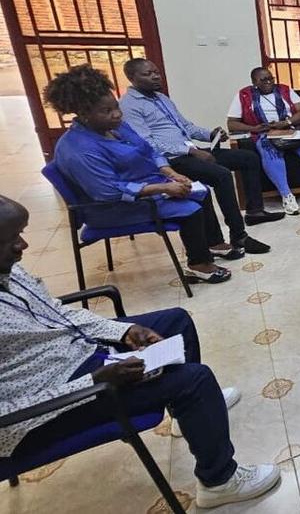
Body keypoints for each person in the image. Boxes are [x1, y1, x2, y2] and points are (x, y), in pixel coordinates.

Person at [0, 195, 281, 508]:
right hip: (42, 412)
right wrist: (94, 381)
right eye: (10, 239)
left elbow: (57, 313)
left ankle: (185, 415)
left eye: (20, 233)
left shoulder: (9, 270)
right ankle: (219, 481)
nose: (23, 245)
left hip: (74, 352)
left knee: (176, 321)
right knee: (195, 380)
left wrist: (123, 330)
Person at [44, 65, 231, 284]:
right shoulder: (79, 149)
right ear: (84, 114)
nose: (117, 114)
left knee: (199, 190)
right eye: (107, 111)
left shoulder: (117, 127)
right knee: (191, 209)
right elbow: (107, 192)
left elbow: (149, 150)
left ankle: (212, 245)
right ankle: (198, 264)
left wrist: (170, 173)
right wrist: (163, 188)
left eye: (116, 107)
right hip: (112, 208)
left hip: (145, 185)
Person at [119, 58, 280, 255]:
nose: (155, 76)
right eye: (148, 74)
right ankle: (238, 236)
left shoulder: (161, 98)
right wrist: (191, 151)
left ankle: (254, 211)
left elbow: (186, 126)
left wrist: (210, 134)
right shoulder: (129, 106)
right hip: (170, 160)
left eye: (157, 72)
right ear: (132, 77)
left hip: (190, 151)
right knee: (221, 175)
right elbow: (147, 144)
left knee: (248, 158)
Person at [226, 67, 300, 216]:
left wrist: (286, 122)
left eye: (271, 78)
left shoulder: (285, 90)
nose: (269, 82)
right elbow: (231, 123)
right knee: (268, 150)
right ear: (254, 82)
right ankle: (287, 195)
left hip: (291, 130)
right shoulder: (244, 95)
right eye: (263, 80)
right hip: (266, 134)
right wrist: (254, 128)